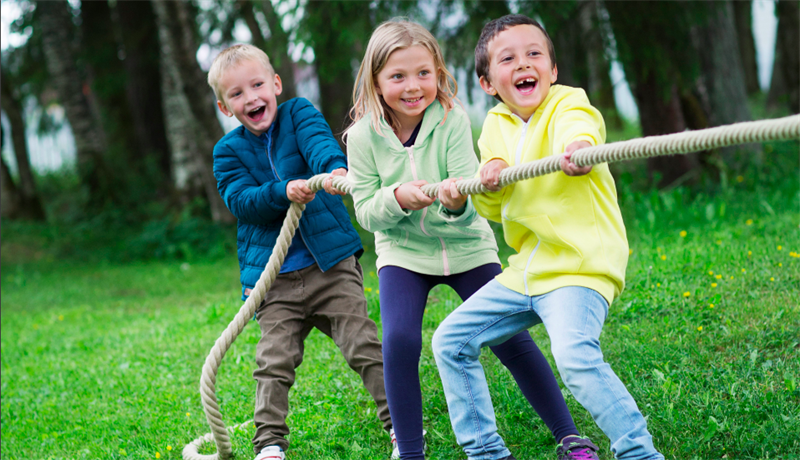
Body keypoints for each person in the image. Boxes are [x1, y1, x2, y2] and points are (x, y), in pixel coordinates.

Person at [346, 20, 589, 460]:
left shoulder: (453, 119)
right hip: (402, 253)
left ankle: (569, 435)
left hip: (466, 246)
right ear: (376, 81)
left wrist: (453, 203)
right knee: (400, 340)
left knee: (509, 338)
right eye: (397, 77)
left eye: (423, 73)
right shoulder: (362, 136)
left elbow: (467, 205)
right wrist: (399, 197)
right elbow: (365, 210)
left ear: (438, 72)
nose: (413, 86)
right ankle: (411, 453)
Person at [431, 14, 664, 460]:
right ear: (487, 82)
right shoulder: (495, 126)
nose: (524, 64)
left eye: (535, 54)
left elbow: (582, 127)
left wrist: (579, 148)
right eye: (509, 58)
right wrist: (489, 182)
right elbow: (495, 211)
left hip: (579, 267)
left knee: (574, 357)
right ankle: (486, 453)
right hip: (526, 272)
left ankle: (639, 452)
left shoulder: (567, 103)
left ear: (552, 71)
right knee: (449, 341)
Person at [207, 44, 393, 460]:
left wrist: (334, 169)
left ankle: (399, 424)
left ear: (275, 84)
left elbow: (318, 144)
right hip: (273, 282)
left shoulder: (298, 113)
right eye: (237, 94)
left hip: (330, 265)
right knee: (273, 362)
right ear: (225, 106)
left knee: (362, 345)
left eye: (257, 85)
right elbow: (241, 200)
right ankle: (270, 443)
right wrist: (282, 191)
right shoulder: (227, 152)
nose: (251, 97)